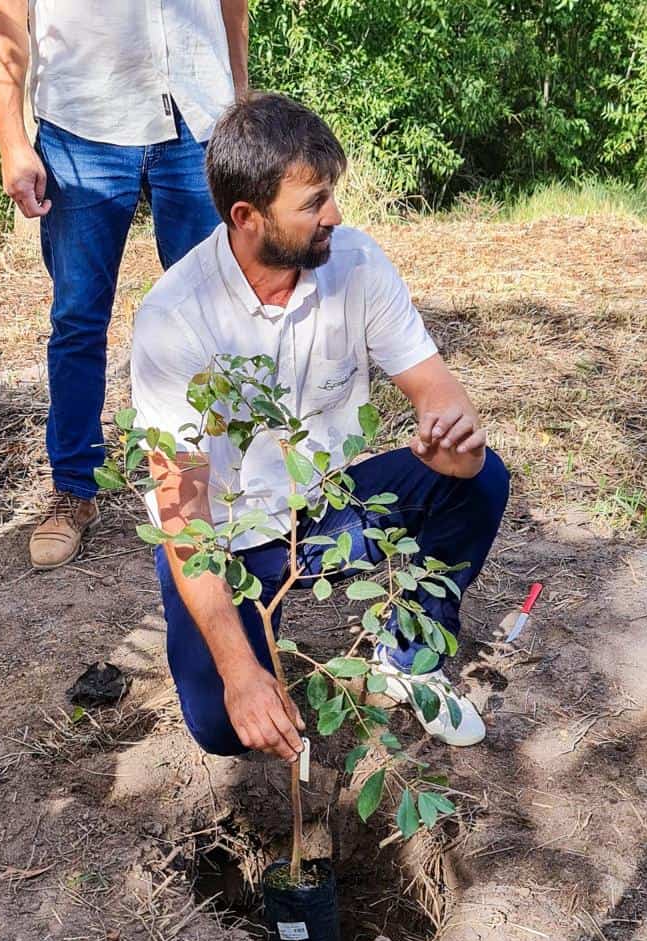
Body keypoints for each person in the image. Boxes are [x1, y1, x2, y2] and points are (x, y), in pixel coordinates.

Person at [131, 93, 510, 763]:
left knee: (481, 480)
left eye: (331, 194)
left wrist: (454, 430)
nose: (334, 215)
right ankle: (247, 668)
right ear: (247, 218)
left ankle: (406, 660)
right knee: (223, 725)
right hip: (227, 541)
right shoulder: (174, 318)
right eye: (312, 204)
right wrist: (243, 675)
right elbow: (183, 517)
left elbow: (435, 386)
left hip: (332, 511)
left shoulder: (356, 264)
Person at [0, 0, 249, 569]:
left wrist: (242, 110)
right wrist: (11, 140)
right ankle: (74, 489)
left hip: (199, 117)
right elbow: (2, 14)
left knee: (217, 313)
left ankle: (222, 489)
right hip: (84, 122)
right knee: (78, 319)